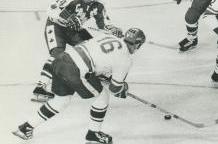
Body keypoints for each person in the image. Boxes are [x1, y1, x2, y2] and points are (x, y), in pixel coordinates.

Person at [13, 28, 146, 144]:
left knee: (61, 100)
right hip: (75, 71)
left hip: (61, 60)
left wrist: (101, 76)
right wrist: (123, 89)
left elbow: (94, 57)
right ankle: (93, 134)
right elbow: (115, 90)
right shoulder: (125, 59)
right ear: (138, 44)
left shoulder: (109, 37)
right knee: (102, 96)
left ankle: (25, 128)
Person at [32, 0, 122, 102]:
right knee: (57, 55)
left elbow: (104, 25)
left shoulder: (99, 4)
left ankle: (98, 72)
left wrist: (113, 29)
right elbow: (51, 8)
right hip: (55, 27)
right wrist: (68, 17)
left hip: (74, 30)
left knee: (91, 48)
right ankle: (40, 86)